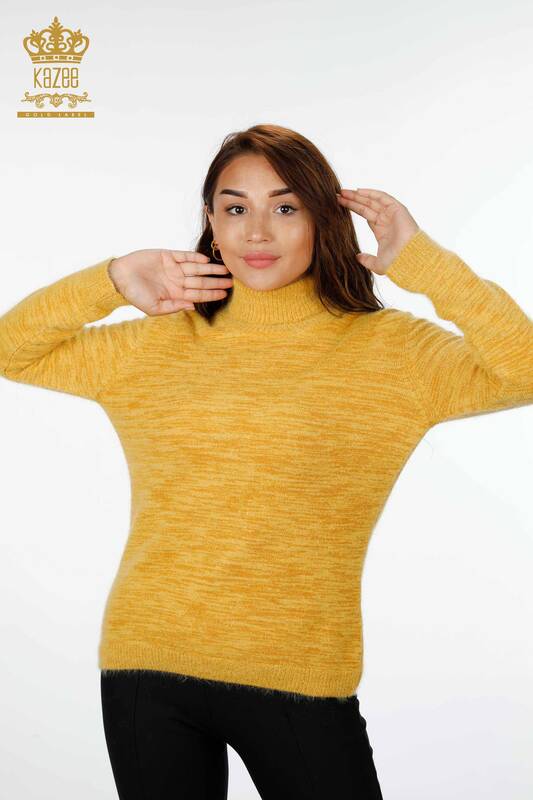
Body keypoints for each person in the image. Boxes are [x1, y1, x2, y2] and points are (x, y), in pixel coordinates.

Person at [1, 124, 532, 800]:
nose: (257, 231)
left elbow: (524, 370)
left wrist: (426, 264)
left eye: (285, 207)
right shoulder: (155, 344)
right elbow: (10, 351)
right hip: (148, 663)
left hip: (300, 675)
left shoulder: (392, 354)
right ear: (211, 222)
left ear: (323, 218)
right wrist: (109, 279)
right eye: (235, 208)